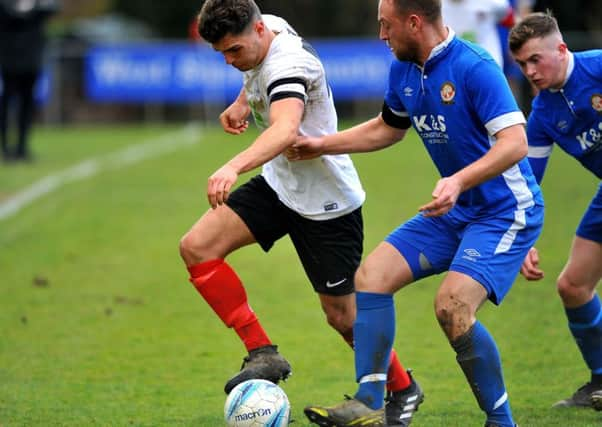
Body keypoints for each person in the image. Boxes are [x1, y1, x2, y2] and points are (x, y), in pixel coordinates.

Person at [296, 0, 544, 426]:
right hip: (456, 210)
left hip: (505, 210)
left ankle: (502, 422)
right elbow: (388, 128)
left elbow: (515, 143)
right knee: (371, 279)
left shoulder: (475, 66)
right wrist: (322, 144)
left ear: (414, 23)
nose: (381, 35)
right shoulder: (404, 70)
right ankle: (370, 400)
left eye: (385, 25)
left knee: (451, 307)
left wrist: (458, 180)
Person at [180, 1, 424, 425]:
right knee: (197, 247)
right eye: (221, 54)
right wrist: (243, 99)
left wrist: (232, 166)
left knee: (343, 318)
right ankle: (262, 353)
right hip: (280, 185)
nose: (229, 61)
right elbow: (257, 72)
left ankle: (402, 388)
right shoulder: (269, 26)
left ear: (257, 30)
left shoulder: (288, 65)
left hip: (326, 203)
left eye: (233, 51)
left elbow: (285, 128)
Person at [509, 12, 602, 411]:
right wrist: (521, 238)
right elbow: (529, 181)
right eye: (522, 65)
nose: (530, 71)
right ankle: (600, 380)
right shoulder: (544, 112)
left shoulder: (598, 67)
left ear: (561, 49)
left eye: (535, 60)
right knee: (572, 286)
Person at [0, 0, 57, 162]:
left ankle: (22, 147)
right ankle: (5, 148)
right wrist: (23, 9)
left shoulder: (39, 5)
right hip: (9, 61)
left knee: (27, 104)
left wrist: (30, 7)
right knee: (6, 103)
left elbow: (52, 8)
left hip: (31, 62)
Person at [441, 0, 513, 67]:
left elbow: (509, 19)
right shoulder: (434, 5)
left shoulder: (495, 3)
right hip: (451, 66)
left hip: (487, 62)